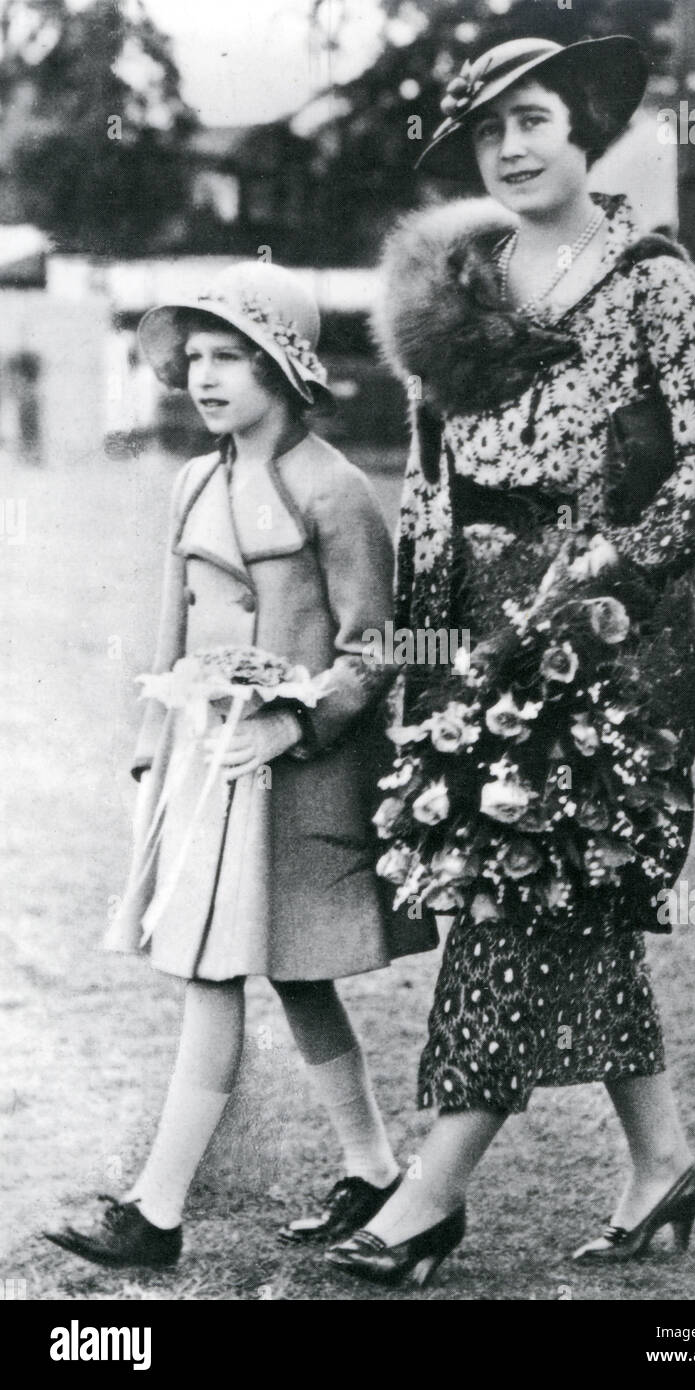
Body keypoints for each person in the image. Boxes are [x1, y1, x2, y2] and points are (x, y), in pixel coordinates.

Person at [326, 36, 695, 1288]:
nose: (511, 147)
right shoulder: (455, 287)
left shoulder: (658, 285)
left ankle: (430, 1193)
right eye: (489, 128)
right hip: (479, 640)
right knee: (564, 896)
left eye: (537, 120)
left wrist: (602, 577)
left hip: (614, 640)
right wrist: (424, 659)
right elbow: (430, 495)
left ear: (592, 127)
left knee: (523, 892)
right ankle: (661, 1155)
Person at [44, 261, 434, 1269]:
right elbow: (170, 628)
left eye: (233, 356)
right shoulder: (191, 479)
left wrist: (292, 730)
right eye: (198, 357)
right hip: (202, 763)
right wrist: (151, 759)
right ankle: (377, 1168)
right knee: (250, 974)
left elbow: (373, 649)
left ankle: (155, 1211)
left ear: (284, 367)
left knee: (252, 971)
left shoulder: (336, 490)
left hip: (295, 778)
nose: (208, 376)